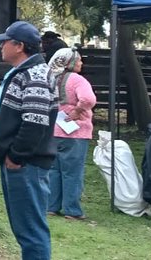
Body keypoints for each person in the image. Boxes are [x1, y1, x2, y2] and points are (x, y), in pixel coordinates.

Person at [0, 20, 56, 260]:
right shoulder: (23, 72)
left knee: (31, 232)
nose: (1, 47)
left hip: (27, 165)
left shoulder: (35, 74)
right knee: (24, 229)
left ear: (19, 46)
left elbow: (35, 123)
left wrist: (16, 156)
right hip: (21, 163)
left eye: (5, 42)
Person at [46, 49, 96, 220]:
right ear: (69, 63)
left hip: (54, 130)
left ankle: (51, 206)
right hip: (75, 132)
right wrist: (77, 111)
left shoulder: (51, 78)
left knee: (54, 170)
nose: (81, 63)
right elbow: (88, 99)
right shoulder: (77, 80)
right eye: (79, 60)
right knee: (72, 171)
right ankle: (72, 210)